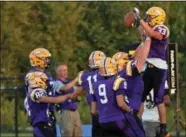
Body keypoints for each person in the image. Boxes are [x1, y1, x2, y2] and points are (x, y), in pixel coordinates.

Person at [133, 7, 170, 137]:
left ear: (157, 18)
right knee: (140, 95)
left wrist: (141, 21)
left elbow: (153, 34)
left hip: (159, 67)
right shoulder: (151, 28)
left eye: (150, 17)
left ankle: (163, 126)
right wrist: (138, 22)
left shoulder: (162, 28)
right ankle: (136, 119)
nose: (148, 19)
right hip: (149, 65)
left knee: (158, 99)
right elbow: (144, 35)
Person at [24, 48, 77, 137]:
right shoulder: (34, 76)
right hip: (40, 116)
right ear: (38, 60)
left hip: (48, 115)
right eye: (46, 59)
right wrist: (66, 96)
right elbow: (40, 97)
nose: (48, 61)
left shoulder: (46, 73)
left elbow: (53, 89)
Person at [112, 36, 151, 137]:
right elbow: (141, 58)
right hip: (130, 114)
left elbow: (134, 57)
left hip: (121, 115)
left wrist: (142, 42)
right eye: (126, 59)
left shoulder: (117, 75)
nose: (129, 59)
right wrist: (148, 39)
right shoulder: (129, 71)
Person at [91, 57, 131, 137]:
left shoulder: (94, 85)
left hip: (103, 122)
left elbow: (93, 111)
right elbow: (121, 103)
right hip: (118, 120)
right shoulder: (118, 81)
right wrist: (130, 110)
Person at [71, 51, 106, 137]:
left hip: (94, 112)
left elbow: (77, 92)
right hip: (106, 110)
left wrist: (73, 98)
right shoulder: (103, 74)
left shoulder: (85, 76)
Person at [55, 64, 82, 137]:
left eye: (66, 70)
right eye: (63, 70)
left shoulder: (70, 83)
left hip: (75, 111)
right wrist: (77, 78)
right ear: (58, 72)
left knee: (78, 133)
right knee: (67, 133)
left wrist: (85, 83)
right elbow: (64, 88)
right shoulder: (56, 83)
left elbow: (79, 92)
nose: (66, 72)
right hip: (65, 111)